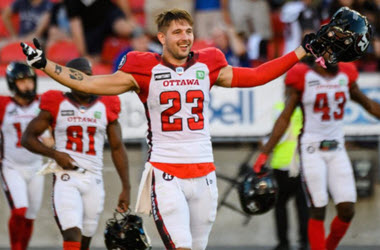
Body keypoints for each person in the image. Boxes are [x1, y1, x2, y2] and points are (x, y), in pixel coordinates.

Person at [20, 8, 318, 250]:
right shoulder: (142, 67)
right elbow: (88, 83)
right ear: (162, 37)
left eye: (188, 31)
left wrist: (300, 53)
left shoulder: (209, 63)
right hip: (167, 173)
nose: (185, 37)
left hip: (205, 175)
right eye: (177, 32)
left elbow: (256, 75)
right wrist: (45, 64)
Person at [252, 20, 379, 250]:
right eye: (337, 46)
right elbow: (285, 118)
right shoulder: (301, 75)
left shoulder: (347, 74)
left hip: (337, 146)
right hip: (311, 147)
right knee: (317, 207)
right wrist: (264, 153)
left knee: (347, 209)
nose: (341, 52)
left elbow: (369, 105)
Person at [21, 58, 131, 250]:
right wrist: (55, 154)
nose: (82, 80)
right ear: (66, 79)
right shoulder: (56, 101)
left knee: (85, 239)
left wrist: (126, 187)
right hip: (66, 177)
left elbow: (117, 147)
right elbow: (28, 138)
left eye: (87, 76)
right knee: (72, 232)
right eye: (76, 76)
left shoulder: (107, 103)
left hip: (94, 178)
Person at [0, 61, 52, 250]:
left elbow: (53, 130)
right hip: (12, 166)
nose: (28, 85)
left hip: (36, 166)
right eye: (22, 81)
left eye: (30, 80)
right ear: (13, 83)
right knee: (19, 210)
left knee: (30, 216)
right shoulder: (4, 104)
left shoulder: (43, 103)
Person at [257, 91, 308, 250]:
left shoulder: (280, 108)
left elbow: (280, 134)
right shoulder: (306, 109)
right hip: (303, 164)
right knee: (302, 206)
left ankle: (283, 243)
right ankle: (304, 243)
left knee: (280, 205)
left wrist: (265, 145)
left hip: (282, 164)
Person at [63, 0, 136, 62]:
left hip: (109, 14)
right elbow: (75, 25)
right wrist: (84, 54)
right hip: (91, 28)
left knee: (127, 28)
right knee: (92, 60)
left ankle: (142, 49)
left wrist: (129, 17)